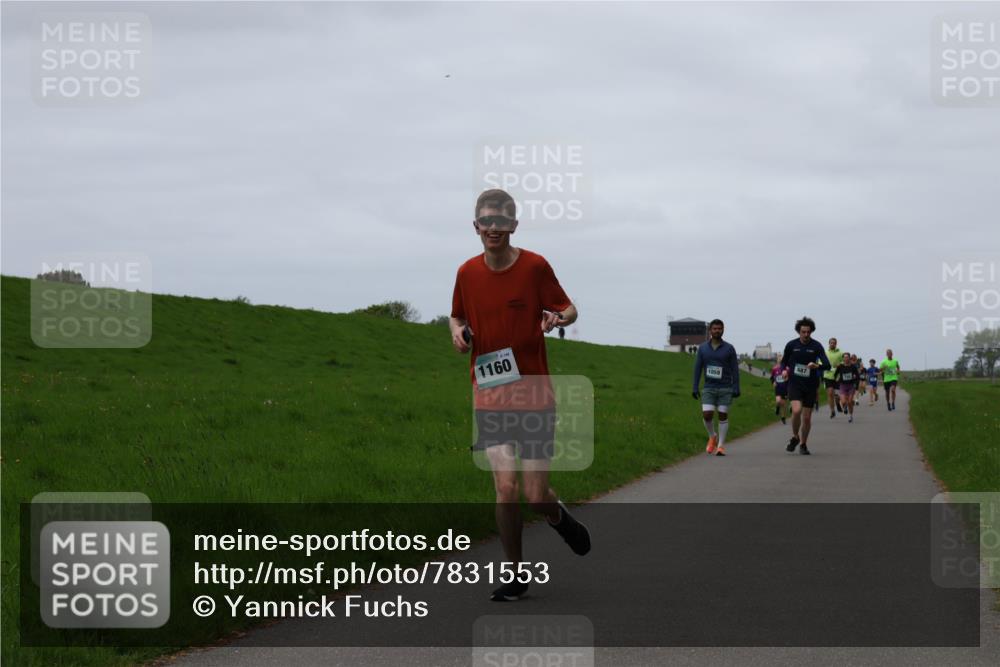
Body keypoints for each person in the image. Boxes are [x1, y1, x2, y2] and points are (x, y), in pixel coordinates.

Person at [450, 188, 591, 602]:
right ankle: (515, 573)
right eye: (486, 221)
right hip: (489, 393)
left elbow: (569, 309)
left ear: (513, 225)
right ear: (475, 226)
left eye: (502, 221)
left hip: (533, 393)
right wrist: (457, 331)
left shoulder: (534, 267)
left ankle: (557, 514)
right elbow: (457, 313)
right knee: (506, 489)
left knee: (534, 496)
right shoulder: (466, 273)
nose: (494, 228)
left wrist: (556, 316)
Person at [780, 316, 831, 455]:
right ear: (799, 332)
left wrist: (816, 365)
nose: (806, 334)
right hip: (795, 383)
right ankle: (795, 436)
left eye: (808, 332)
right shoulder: (791, 345)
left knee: (807, 418)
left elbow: (827, 365)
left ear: (811, 332)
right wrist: (784, 370)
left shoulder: (816, 346)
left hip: (810, 385)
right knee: (796, 411)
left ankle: (803, 444)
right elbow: (783, 362)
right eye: (803, 332)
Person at [692, 319, 741, 456]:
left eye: (719, 328)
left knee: (722, 415)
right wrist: (695, 386)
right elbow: (697, 368)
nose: (717, 331)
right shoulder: (703, 348)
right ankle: (712, 436)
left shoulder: (729, 348)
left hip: (725, 387)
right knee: (707, 415)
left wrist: (736, 387)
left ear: (723, 330)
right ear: (710, 330)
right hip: (709, 387)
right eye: (714, 329)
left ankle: (720, 446)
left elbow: (735, 369)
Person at [823, 337, 844, 419]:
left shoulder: (840, 353)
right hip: (827, 375)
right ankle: (832, 410)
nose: (832, 344)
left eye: (834, 343)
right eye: (831, 343)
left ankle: (838, 403)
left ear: (836, 344)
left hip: (837, 376)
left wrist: (840, 364)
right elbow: (821, 362)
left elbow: (844, 361)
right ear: (829, 343)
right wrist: (824, 366)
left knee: (837, 395)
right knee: (830, 393)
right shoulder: (825, 353)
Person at [833, 353, 858, 423]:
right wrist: (836, 380)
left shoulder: (853, 367)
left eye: (847, 357)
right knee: (843, 402)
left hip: (851, 385)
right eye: (844, 357)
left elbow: (857, 376)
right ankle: (845, 407)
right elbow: (835, 374)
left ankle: (850, 416)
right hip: (842, 385)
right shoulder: (840, 366)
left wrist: (855, 382)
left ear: (849, 358)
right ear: (843, 359)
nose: (846, 359)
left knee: (850, 402)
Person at [770, 359, 790, 424]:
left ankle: (783, 417)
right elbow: (772, 377)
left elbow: (790, 378)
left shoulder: (787, 369)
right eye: (779, 361)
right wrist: (773, 382)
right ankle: (777, 407)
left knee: (783, 404)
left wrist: (787, 380)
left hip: (785, 388)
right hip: (778, 388)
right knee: (778, 401)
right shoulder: (774, 369)